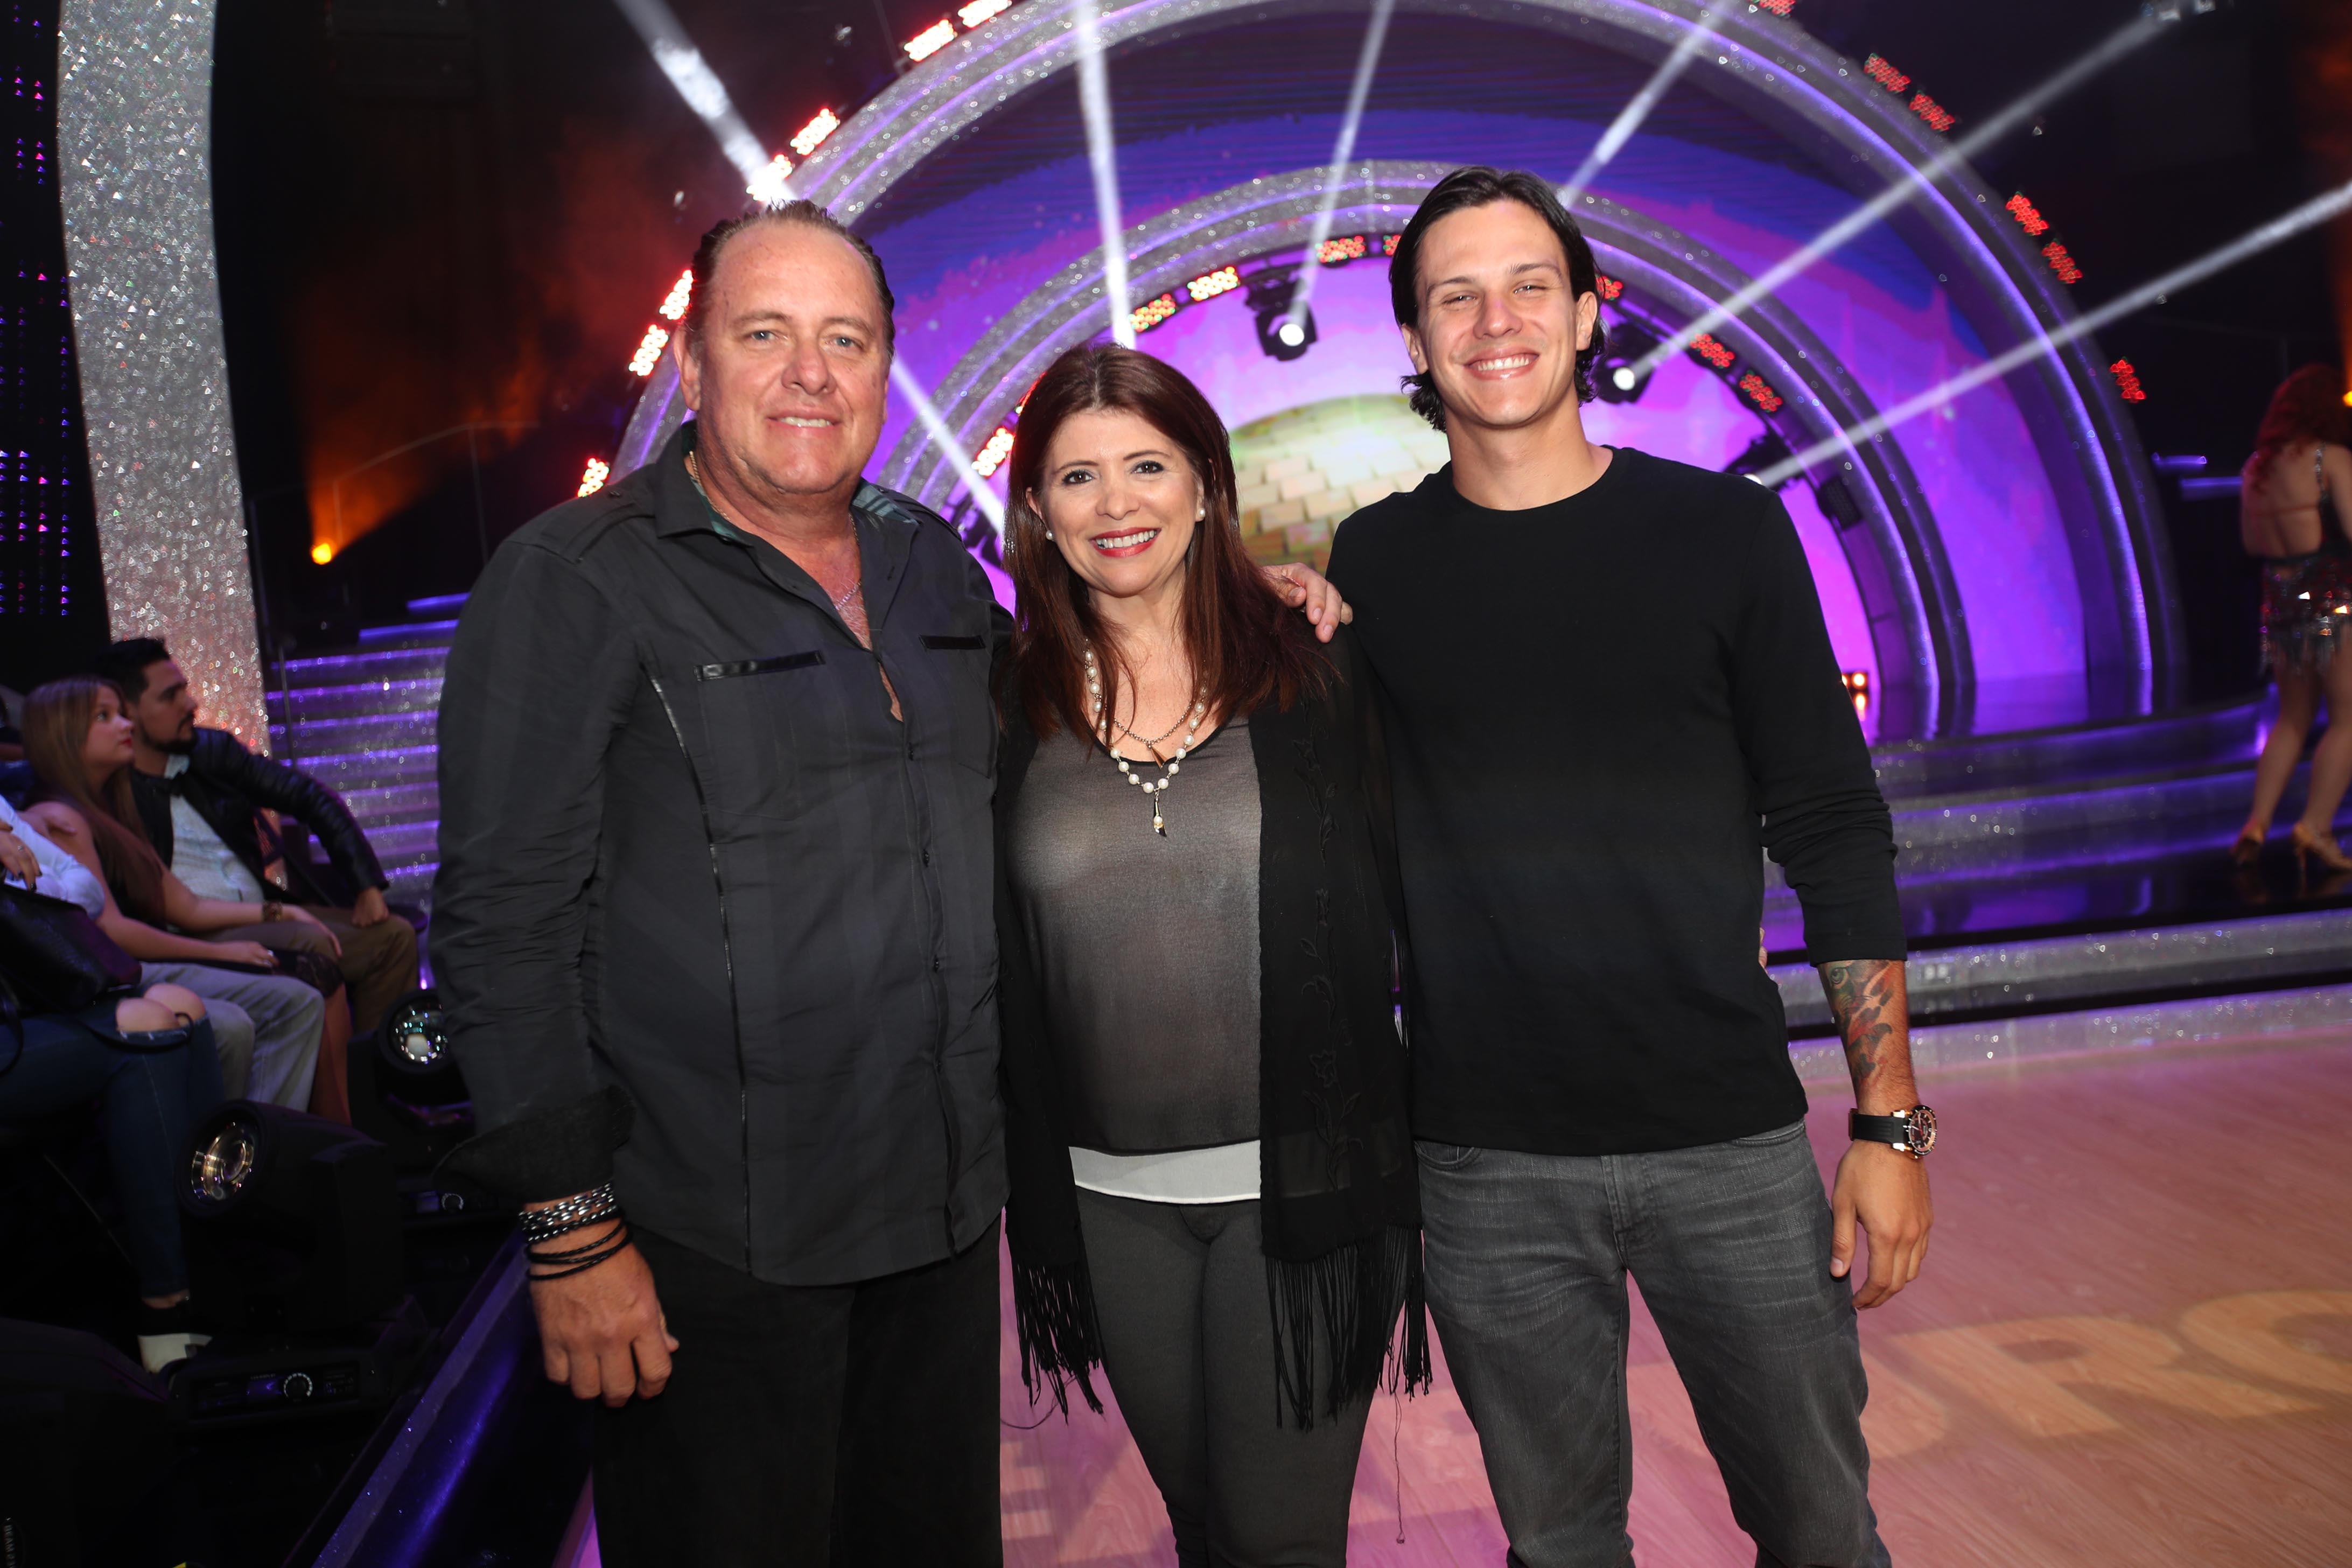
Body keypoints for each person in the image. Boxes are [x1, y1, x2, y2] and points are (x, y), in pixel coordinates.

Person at [431, 199, 1349, 1566]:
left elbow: (1084, 685)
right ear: (693, 362)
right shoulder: (573, 579)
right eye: (766, 334)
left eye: (846, 339)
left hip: (939, 1223)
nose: (811, 372)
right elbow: (501, 925)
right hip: (711, 1243)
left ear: (882, 366)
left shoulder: (928, 562)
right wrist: (570, 1231)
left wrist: (1237, 593)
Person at [1324, 167, 1931, 1568]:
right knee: (1562, 1547)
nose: (1496, 322)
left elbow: (1832, 824)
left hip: (1727, 1141)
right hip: (1485, 1162)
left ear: (1589, 312)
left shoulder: (1725, 532)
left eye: (1529, 285)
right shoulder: (1378, 562)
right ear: (1414, 338)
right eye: (1456, 296)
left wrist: (1890, 1125)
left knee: (1825, 1533)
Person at [996, 344, 1424, 1567]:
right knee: (1205, 1535)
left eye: (1146, 466)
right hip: (1106, 1202)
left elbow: (1411, 887)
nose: (1115, 503)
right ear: (1039, 510)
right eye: (1077, 476)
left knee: (1281, 1542)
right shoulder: (1004, 700)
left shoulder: (1314, 666)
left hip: (1300, 1188)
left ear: (1203, 485)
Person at [19, 678, 340, 1116]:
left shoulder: (113, 809)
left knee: (297, 995)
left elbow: (187, 906)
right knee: (281, 1005)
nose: (125, 725)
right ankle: (249, 1144)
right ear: (63, 734)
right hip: (119, 976)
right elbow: (111, 932)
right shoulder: (58, 815)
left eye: (122, 713)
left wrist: (279, 910)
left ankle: (267, 1139)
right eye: (104, 717)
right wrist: (224, 951)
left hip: (141, 965)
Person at [94, 638, 419, 1033]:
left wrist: (365, 884)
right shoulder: (112, 791)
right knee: (308, 942)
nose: (190, 704)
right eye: (170, 696)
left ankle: (378, 1065)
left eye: (184, 690)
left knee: (394, 937)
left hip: (261, 912)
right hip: (192, 934)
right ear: (127, 711)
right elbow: (165, 910)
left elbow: (309, 796)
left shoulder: (211, 752)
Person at [0, 812, 226, 1371]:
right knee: (145, 1028)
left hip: (26, 1003)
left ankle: (211, 1267)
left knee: (183, 1008)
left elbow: (81, 891)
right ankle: (168, 1304)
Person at [2231, 365, 2352, 873]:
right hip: (2330, 599)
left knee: (2292, 717)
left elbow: (2250, 544)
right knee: (2348, 719)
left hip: (2279, 601)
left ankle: (2256, 824)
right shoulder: (2330, 458)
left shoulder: (2256, 467)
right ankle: (2316, 826)